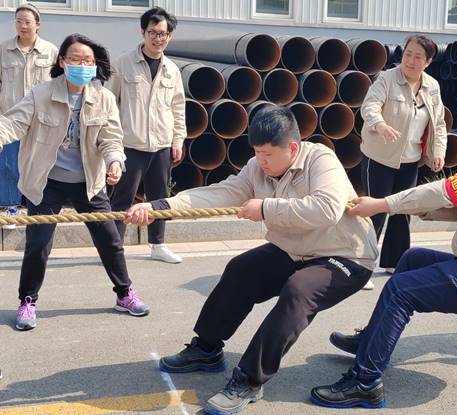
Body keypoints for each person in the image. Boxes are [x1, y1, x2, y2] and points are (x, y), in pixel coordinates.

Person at [125, 106, 379, 415]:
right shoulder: (257, 167)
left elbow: (326, 209)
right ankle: (206, 349)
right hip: (296, 250)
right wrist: (161, 206)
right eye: (257, 153)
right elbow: (221, 193)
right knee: (241, 269)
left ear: (293, 148)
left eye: (268, 154)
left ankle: (249, 380)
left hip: (346, 256)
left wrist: (266, 208)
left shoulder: (321, 160)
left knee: (299, 290)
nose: (261, 161)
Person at [310, 100, 457, 409]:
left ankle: (364, 382)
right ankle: (371, 341)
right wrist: (419, 209)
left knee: (401, 290)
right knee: (411, 259)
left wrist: (382, 204)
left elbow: (444, 191)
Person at [0, 33, 149, 331]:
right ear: (62, 61)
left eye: (88, 61)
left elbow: (111, 137)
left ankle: (124, 293)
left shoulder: (103, 98)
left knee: (110, 239)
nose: (83, 65)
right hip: (47, 182)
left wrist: (115, 161)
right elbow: (12, 123)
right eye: (76, 59)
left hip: (88, 182)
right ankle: (27, 300)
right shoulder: (41, 94)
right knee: (38, 244)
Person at [359, 34, 446, 275]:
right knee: (375, 212)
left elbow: (439, 123)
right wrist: (380, 125)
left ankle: (394, 262)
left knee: (402, 212)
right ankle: (362, 265)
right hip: (379, 157)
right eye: (408, 54)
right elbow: (370, 106)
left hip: (410, 160)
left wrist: (438, 151)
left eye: (418, 57)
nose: (411, 61)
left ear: (428, 61)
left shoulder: (432, 86)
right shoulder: (387, 78)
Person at [108, 6, 186, 264]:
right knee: (122, 198)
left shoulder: (172, 69)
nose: (157, 38)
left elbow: (178, 107)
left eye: (163, 34)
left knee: (159, 198)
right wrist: (111, 142)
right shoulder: (123, 64)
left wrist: (178, 140)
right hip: (130, 144)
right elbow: (110, 104)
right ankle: (113, 248)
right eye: (153, 32)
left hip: (161, 145)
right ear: (143, 32)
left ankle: (158, 245)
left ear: (169, 36)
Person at [0, 3, 58, 229]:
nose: (22, 26)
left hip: (42, 118)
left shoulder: (50, 51)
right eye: (18, 22)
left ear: (38, 25)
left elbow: (57, 84)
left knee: (41, 163)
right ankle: (9, 207)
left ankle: (41, 205)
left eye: (27, 22)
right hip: (10, 117)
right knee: (8, 163)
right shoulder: (4, 50)